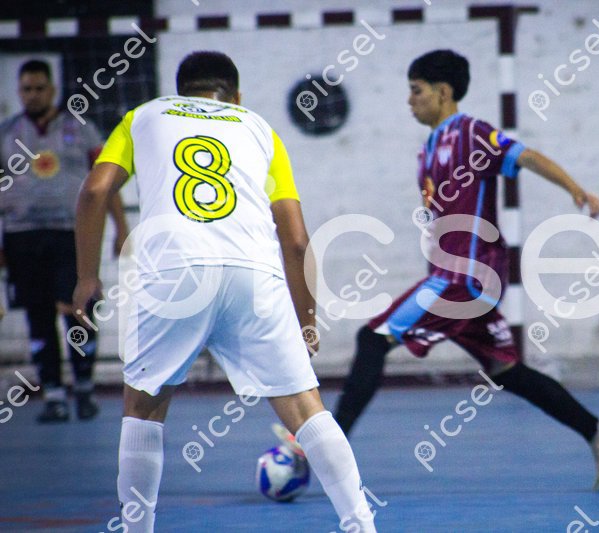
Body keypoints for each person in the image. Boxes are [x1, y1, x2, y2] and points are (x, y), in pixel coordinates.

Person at [72, 51, 376, 532]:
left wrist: (87, 278)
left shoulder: (143, 117)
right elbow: (297, 241)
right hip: (252, 274)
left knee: (143, 409)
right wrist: (307, 321)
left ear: (180, 92)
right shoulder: (260, 129)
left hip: (173, 272)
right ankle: (361, 524)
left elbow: (93, 192)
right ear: (236, 96)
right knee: (305, 409)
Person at [329, 49, 599, 491]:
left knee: (372, 338)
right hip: (461, 281)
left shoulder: (471, 133)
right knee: (506, 371)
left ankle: (324, 447)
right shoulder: (427, 150)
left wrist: (575, 188)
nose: (409, 100)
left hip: (464, 280)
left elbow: (525, 156)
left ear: (443, 92)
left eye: (416, 90)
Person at [0, 59, 129, 423]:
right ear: (19, 92)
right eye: (27, 89)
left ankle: (84, 389)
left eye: (40, 88)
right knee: (38, 315)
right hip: (22, 236)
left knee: (79, 309)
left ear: (53, 90)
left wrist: (122, 227)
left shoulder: (81, 130)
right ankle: (54, 396)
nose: (33, 95)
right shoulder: (6, 133)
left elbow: (105, 183)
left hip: (72, 234)